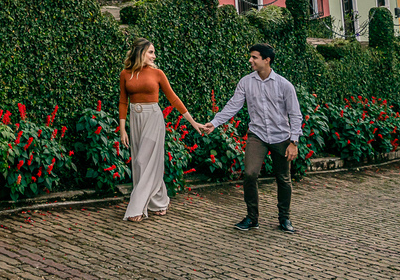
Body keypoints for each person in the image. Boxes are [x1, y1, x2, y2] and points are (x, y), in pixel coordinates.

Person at [205, 42, 303, 234]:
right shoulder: (246, 82)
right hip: (257, 135)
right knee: (250, 174)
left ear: (266, 60)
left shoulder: (284, 85)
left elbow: (295, 114)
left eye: (254, 57)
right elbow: (233, 105)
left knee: (283, 178)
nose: (250, 60)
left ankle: (284, 218)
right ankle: (252, 218)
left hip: (281, 137)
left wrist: (294, 142)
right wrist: (214, 123)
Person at [118, 38, 207, 221]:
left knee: (145, 161)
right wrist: (122, 129)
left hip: (153, 118)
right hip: (135, 119)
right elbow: (122, 101)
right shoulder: (125, 74)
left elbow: (173, 99)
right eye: (150, 52)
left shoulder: (157, 73)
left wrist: (193, 122)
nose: (154, 55)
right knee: (139, 163)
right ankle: (159, 202)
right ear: (140, 52)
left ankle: (137, 208)